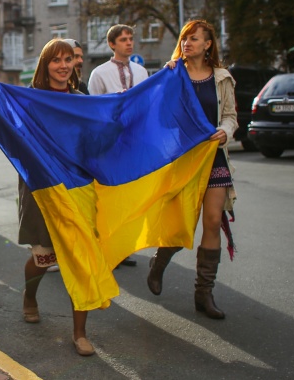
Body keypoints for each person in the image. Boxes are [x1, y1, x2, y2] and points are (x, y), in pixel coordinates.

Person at [149, 19, 237, 320]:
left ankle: (204, 294)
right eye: (185, 38)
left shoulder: (222, 77)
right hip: (184, 160)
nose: (187, 43)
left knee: (212, 221)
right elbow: (160, 117)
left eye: (194, 39)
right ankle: (160, 262)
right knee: (181, 222)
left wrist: (224, 131)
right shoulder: (173, 75)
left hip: (214, 158)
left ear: (208, 44)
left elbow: (230, 116)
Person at [17, 39, 95, 356]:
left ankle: (79, 333)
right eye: (56, 60)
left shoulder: (81, 100)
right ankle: (29, 296)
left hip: (77, 187)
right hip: (42, 188)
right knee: (43, 259)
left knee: (81, 261)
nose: (63, 65)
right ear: (45, 64)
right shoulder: (30, 100)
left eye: (68, 59)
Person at [87, 24, 148, 267]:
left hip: (135, 142)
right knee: (108, 194)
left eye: (131, 38)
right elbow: (93, 108)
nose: (129, 43)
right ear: (112, 44)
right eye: (123, 39)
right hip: (110, 143)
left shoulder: (142, 71)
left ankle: (122, 248)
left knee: (129, 195)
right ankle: (104, 245)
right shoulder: (100, 73)